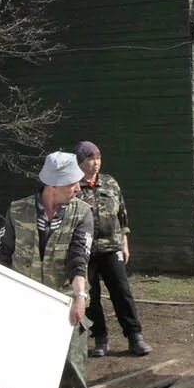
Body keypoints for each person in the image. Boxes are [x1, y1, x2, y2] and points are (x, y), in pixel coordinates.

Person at [0, 151, 94, 388]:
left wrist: (80, 296)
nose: (78, 187)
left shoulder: (81, 212)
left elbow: (79, 257)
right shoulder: (18, 210)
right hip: (24, 296)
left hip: (66, 296)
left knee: (72, 360)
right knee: (17, 357)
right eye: (73, 182)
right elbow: (1, 253)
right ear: (53, 185)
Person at [74, 141, 151, 358]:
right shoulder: (73, 186)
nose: (95, 163)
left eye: (98, 158)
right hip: (85, 251)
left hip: (111, 247)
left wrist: (124, 242)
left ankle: (135, 336)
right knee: (90, 296)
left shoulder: (110, 183)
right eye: (90, 159)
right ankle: (100, 338)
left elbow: (122, 214)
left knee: (122, 291)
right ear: (80, 162)